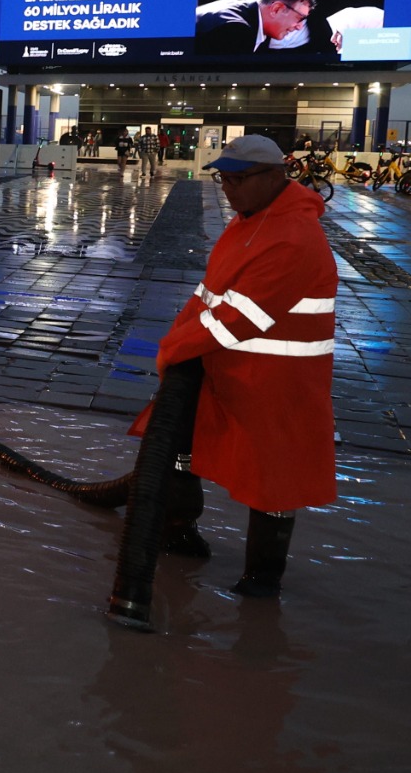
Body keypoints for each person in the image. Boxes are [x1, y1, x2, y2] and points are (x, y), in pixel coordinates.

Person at [107, 133, 337, 630]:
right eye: (223, 179)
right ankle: (179, 534)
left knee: (274, 480)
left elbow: (239, 316)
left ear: (276, 176)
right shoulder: (250, 223)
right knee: (175, 446)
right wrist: (179, 337)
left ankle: (261, 585)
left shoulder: (293, 237)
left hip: (278, 380)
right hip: (223, 370)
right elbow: (210, 294)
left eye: (238, 179)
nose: (229, 189)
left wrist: (173, 349)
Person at [193, 0, 337, 60]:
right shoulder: (237, 31)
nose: (299, 27)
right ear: (276, 9)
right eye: (299, 18)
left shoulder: (234, 7)